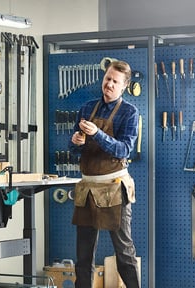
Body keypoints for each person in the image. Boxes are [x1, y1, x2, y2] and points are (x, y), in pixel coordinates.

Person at [69, 60, 140, 287]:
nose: (109, 84)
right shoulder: (87, 108)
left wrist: (97, 134)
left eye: (115, 81)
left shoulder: (130, 112)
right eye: (107, 79)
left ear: (124, 86)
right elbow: (73, 150)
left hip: (114, 189)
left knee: (124, 253)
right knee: (83, 255)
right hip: (87, 189)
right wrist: (76, 142)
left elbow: (124, 149)